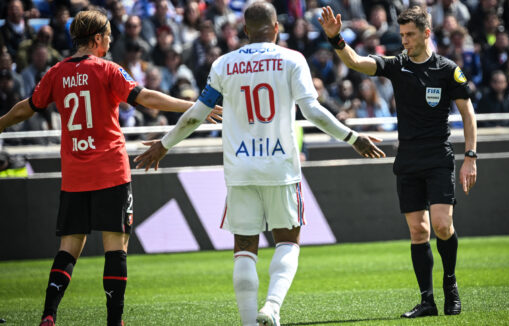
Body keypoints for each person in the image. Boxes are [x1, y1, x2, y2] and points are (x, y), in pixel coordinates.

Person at [133, 2, 385, 325]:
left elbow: (197, 113)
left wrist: (164, 145)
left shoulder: (224, 64)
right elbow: (312, 112)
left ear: (245, 31)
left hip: (240, 169)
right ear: (277, 27)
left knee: (244, 248)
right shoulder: (292, 59)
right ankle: (273, 306)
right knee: (288, 241)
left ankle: (250, 322)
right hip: (280, 165)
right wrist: (353, 137)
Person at [0, 9, 220, 326]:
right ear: (98, 38)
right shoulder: (107, 69)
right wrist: (195, 106)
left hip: (75, 175)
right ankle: (114, 322)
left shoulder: (56, 73)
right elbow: (147, 99)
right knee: (115, 247)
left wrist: (1, 123)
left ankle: (49, 314)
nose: (109, 42)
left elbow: (26, 108)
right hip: (110, 171)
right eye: (108, 37)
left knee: (68, 248)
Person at [319, 5, 477, 318]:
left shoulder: (447, 69)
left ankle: (450, 283)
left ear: (426, 34)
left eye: (410, 34)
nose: (403, 40)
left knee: (443, 226)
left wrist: (470, 156)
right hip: (408, 159)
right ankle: (427, 300)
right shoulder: (396, 65)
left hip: (438, 157)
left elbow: (467, 113)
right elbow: (357, 61)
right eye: (402, 34)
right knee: (419, 232)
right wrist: (336, 40)